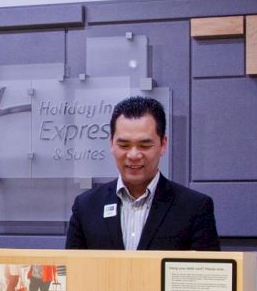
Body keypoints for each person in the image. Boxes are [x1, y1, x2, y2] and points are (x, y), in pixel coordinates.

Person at [65, 96, 222, 251]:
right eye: (124, 145)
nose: (133, 155)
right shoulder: (86, 207)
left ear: (163, 145)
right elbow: (68, 271)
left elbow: (207, 274)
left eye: (144, 145)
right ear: (111, 144)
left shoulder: (194, 207)